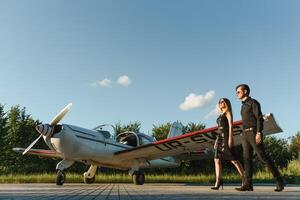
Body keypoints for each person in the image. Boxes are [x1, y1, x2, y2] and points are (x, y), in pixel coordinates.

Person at [235, 84, 284, 192]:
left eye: (238, 91)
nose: (236, 94)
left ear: (246, 91)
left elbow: (259, 118)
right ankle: (248, 184)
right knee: (246, 159)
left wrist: (258, 133)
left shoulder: (254, 103)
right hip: (245, 134)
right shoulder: (243, 105)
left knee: (262, 156)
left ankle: (279, 180)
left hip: (253, 133)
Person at [211, 98, 245, 190]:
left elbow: (231, 126)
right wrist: (216, 141)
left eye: (222, 102)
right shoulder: (220, 115)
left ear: (226, 103)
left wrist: (230, 138)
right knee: (216, 159)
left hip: (226, 137)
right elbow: (219, 128)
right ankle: (218, 181)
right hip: (219, 138)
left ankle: (245, 179)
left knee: (233, 160)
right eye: (219, 102)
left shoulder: (228, 113)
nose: (220, 103)